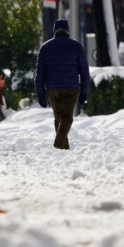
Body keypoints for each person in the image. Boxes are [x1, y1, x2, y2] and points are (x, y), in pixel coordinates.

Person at [35, 19, 90, 150]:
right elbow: (84, 71)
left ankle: (64, 151)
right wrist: (84, 92)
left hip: (52, 88)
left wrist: (40, 94)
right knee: (67, 118)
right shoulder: (76, 46)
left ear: (54, 30)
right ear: (67, 30)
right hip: (71, 87)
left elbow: (40, 73)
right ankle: (59, 145)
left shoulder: (45, 47)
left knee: (58, 118)